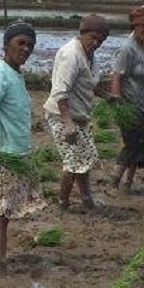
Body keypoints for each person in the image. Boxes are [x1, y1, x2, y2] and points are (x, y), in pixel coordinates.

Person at [0, 20, 47, 272]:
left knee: (5, 213)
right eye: (20, 43)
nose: (26, 49)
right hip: (4, 153)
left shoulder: (15, 72)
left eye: (30, 45)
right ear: (6, 45)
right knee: (0, 212)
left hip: (18, 151)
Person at [43, 14, 110, 211]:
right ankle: (62, 203)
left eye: (101, 40)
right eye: (93, 38)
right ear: (83, 33)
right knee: (73, 162)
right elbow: (60, 91)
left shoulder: (88, 54)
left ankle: (86, 198)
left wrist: (108, 96)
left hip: (79, 115)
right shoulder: (71, 54)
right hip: (62, 115)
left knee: (85, 158)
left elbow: (89, 83)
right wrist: (68, 122)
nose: (96, 43)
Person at [110, 5, 144, 193]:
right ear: (135, 26)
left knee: (142, 144)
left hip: (143, 104)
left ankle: (128, 184)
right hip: (129, 105)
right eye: (143, 27)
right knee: (133, 144)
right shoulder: (127, 49)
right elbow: (117, 76)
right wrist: (116, 100)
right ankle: (114, 182)